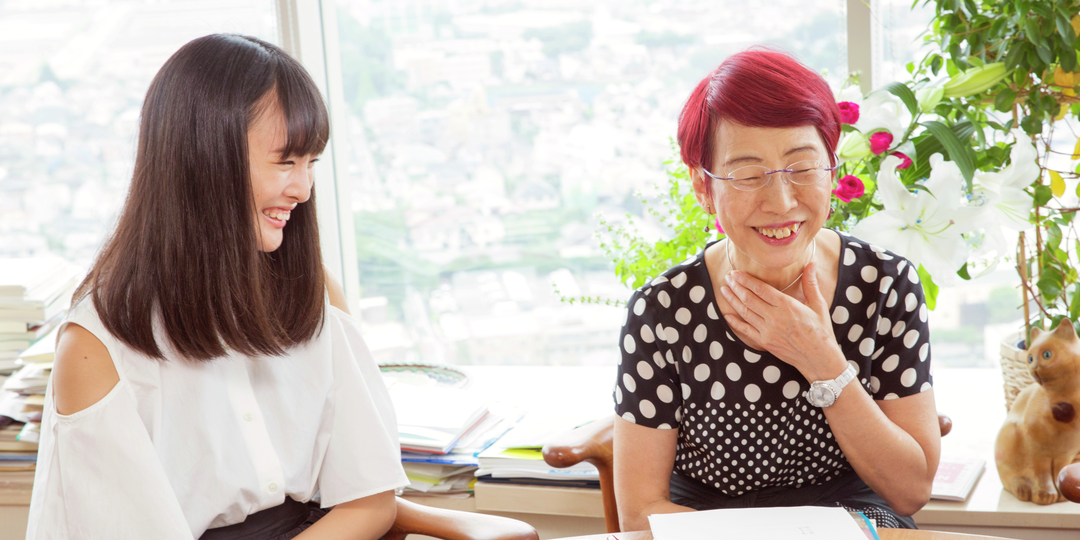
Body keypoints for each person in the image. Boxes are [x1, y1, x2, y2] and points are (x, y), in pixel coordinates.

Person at [27, 34, 408, 539]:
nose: (303, 189)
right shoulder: (99, 349)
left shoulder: (311, 292)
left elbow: (370, 502)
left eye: (311, 162)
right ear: (203, 159)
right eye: (285, 161)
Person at [612, 48, 940, 530]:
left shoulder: (885, 285)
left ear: (831, 169)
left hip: (854, 523)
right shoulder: (663, 309)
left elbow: (910, 493)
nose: (781, 201)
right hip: (705, 529)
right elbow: (640, 514)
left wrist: (821, 360)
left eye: (802, 168)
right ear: (704, 188)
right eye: (748, 176)